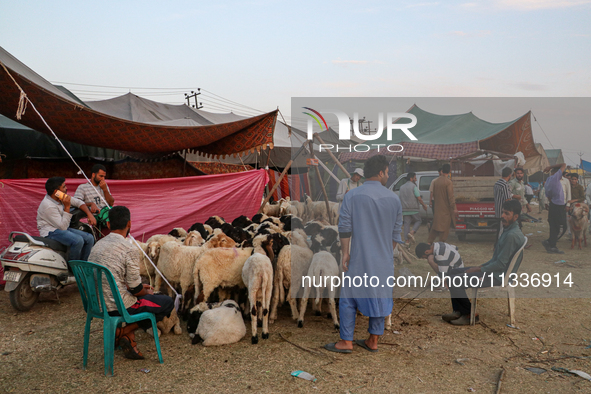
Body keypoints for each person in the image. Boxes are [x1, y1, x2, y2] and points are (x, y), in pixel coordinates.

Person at [324, 155, 402, 353]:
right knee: (380, 294)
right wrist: (385, 251)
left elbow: (344, 228)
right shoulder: (394, 199)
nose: (387, 175)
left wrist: (345, 253)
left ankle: (346, 341)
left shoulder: (352, 196)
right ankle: (373, 340)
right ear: (381, 172)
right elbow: (396, 234)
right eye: (387, 172)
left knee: (349, 297)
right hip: (384, 260)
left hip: (358, 257)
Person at [88, 206, 174, 360]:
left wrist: (129, 287)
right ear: (129, 224)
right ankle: (123, 331)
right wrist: (144, 292)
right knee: (166, 302)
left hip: (96, 304)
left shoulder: (96, 246)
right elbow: (135, 290)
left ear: (108, 225)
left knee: (141, 297)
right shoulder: (129, 249)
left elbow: (110, 277)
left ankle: (129, 339)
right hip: (118, 305)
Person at [443, 199, 525, 325]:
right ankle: (458, 310)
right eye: (503, 212)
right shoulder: (508, 230)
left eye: (507, 213)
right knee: (452, 272)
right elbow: (496, 259)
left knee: (456, 280)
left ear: (516, 216)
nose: (502, 216)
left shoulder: (511, 236)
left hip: (497, 276)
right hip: (493, 271)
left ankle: (470, 314)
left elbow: (500, 264)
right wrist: (480, 266)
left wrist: (478, 269)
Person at [37, 177, 96, 261]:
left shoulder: (60, 197)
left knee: (89, 238)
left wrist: (89, 214)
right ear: (56, 192)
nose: (66, 189)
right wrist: (67, 207)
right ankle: (73, 267)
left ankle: (83, 265)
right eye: (64, 187)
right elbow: (63, 227)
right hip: (50, 231)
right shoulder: (48, 205)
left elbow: (79, 202)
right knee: (78, 241)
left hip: (61, 227)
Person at [427, 164, 457, 243]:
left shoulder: (436, 181)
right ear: (449, 171)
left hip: (437, 208)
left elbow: (433, 194)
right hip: (446, 209)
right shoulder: (448, 182)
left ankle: (429, 241)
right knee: (445, 228)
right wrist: (454, 208)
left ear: (442, 171)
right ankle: (441, 243)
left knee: (435, 226)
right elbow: (451, 197)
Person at [542, 162, 567, 254]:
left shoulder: (548, 180)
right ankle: (552, 245)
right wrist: (550, 166)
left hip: (553, 204)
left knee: (554, 226)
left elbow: (548, 195)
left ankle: (550, 242)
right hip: (558, 206)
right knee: (562, 226)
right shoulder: (555, 178)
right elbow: (563, 164)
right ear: (557, 173)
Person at [399, 172, 428, 244]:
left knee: (406, 224)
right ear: (411, 179)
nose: (416, 180)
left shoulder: (401, 187)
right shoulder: (413, 187)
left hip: (404, 209)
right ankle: (412, 232)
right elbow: (419, 198)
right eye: (415, 178)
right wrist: (424, 205)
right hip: (414, 209)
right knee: (418, 221)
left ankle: (407, 241)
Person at [494, 167, 519, 239]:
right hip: (504, 212)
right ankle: (499, 245)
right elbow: (507, 199)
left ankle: (496, 245)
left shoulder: (497, 183)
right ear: (509, 175)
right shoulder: (505, 185)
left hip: (498, 211)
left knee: (499, 229)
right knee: (502, 231)